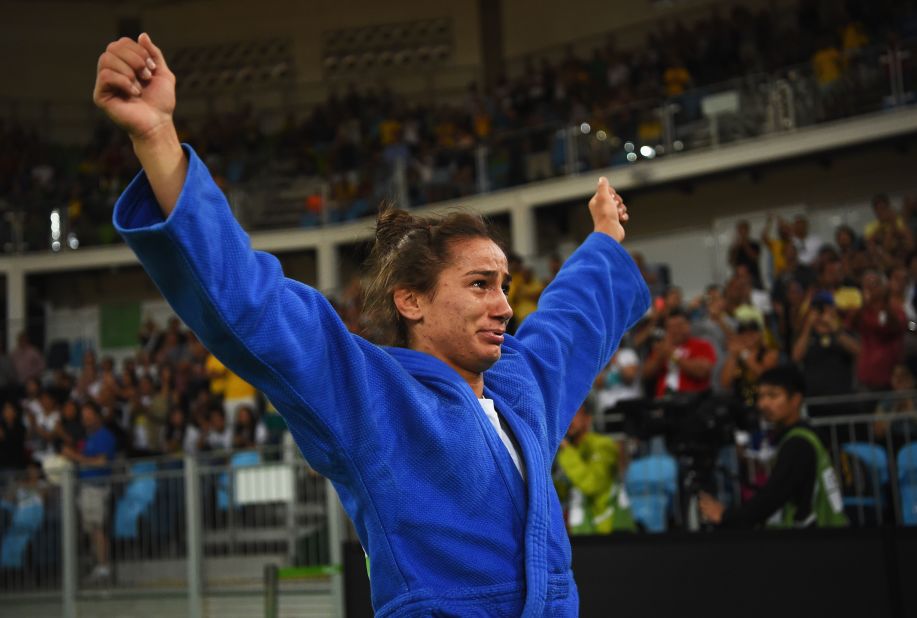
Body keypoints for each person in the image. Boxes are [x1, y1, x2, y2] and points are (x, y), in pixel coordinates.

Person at [94, 34, 649, 616]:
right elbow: (252, 304)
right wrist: (157, 136)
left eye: (504, 285)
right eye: (480, 284)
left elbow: (570, 323)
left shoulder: (520, 389)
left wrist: (605, 240)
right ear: (412, 302)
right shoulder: (371, 394)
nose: (505, 306)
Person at [698, 365, 848, 529]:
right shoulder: (804, 437)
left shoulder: (799, 443)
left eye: (773, 395)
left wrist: (726, 517)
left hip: (817, 541)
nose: (763, 404)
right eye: (761, 396)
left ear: (796, 400)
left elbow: (773, 496)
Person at [553, 398, 634, 535]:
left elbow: (592, 484)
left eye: (575, 412)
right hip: (581, 533)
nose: (569, 418)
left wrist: (566, 450)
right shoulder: (569, 453)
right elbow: (560, 492)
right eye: (565, 414)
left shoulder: (603, 445)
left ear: (588, 419)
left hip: (611, 532)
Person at [62, 401, 118, 582]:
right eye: (83, 417)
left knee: (97, 528)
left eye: (89, 416)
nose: (85, 420)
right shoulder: (87, 438)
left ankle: (103, 567)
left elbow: (101, 462)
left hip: (97, 487)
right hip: (85, 487)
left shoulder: (105, 436)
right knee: (92, 530)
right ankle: (99, 565)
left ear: (97, 416)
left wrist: (75, 457)